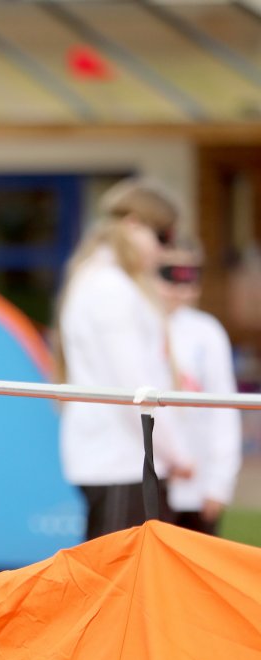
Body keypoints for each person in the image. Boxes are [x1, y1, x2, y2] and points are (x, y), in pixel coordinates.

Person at [56, 177, 193, 539]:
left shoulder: (103, 280)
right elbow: (135, 386)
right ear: (133, 224)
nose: (166, 250)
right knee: (118, 586)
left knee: (126, 583)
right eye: (163, 236)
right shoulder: (109, 287)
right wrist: (177, 452)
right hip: (122, 463)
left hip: (126, 460)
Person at [152, 245, 242, 535]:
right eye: (170, 276)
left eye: (189, 278)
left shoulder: (207, 332)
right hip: (150, 477)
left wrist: (219, 483)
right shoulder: (138, 328)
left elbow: (224, 409)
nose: (180, 288)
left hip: (197, 482)